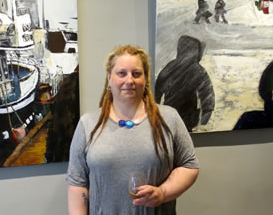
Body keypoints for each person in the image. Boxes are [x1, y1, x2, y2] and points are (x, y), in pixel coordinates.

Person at [67, 45, 199, 214]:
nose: (129, 80)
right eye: (121, 73)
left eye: (136, 74)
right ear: (109, 77)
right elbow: (77, 184)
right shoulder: (88, 124)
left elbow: (189, 165)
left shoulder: (169, 118)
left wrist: (163, 193)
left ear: (145, 79)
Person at [155, 35, 215, 131]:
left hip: (169, 119)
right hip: (187, 122)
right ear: (194, 51)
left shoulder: (169, 67)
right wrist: (202, 125)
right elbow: (208, 102)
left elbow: (156, 95)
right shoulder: (198, 70)